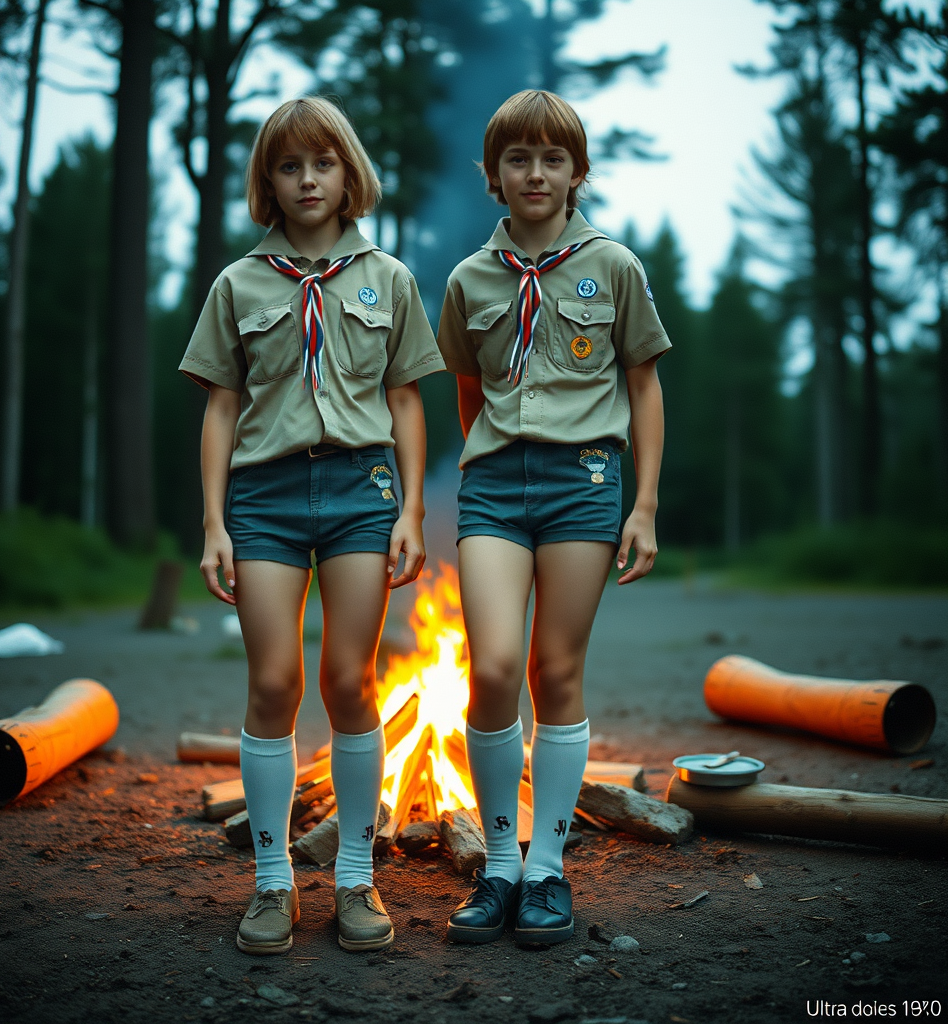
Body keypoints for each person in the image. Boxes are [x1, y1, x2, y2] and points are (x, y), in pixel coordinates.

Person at [179, 97, 444, 955]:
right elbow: (222, 408)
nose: (306, 180)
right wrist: (214, 522)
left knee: (351, 682)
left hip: (362, 491)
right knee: (271, 686)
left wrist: (409, 508)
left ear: (346, 173)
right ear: (270, 181)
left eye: (321, 164)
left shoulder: (389, 279)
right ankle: (270, 885)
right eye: (288, 167)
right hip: (262, 497)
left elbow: (405, 400)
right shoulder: (239, 284)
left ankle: (357, 880)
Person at [435, 90, 669, 946]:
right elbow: (468, 389)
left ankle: (547, 871)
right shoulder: (469, 279)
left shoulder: (613, 267)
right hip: (497, 485)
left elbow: (644, 384)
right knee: (493, 666)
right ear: (494, 176)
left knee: (554, 671)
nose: (536, 172)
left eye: (553, 158)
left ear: (577, 173)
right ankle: (500, 865)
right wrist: (498, 455)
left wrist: (641, 504)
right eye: (518, 159)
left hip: (587, 481)